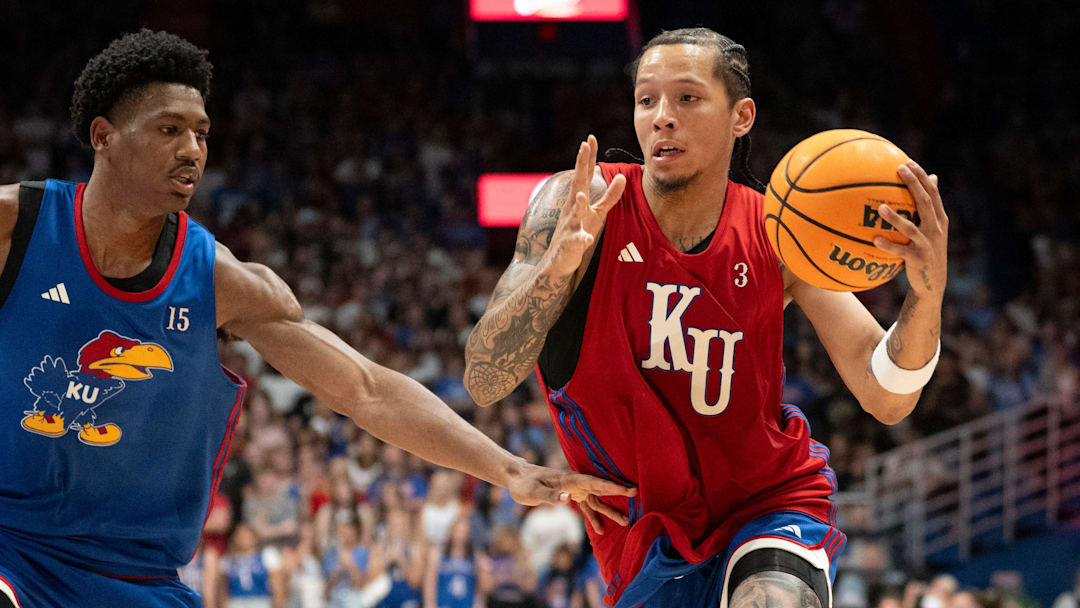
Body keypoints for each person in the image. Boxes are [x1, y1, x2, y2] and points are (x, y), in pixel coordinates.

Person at [0, 29, 634, 608]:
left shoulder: (216, 279)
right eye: (169, 130)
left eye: (201, 132)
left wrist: (508, 468)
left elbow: (364, 389)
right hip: (13, 553)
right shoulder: (15, 229)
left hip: (137, 580)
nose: (192, 149)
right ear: (104, 136)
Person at [464, 27, 948, 608]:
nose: (662, 117)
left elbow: (886, 395)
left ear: (741, 116)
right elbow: (484, 380)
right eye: (647, 100)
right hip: (642, 529)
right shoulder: (575, 208)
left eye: (687, 98)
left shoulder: (780, 233)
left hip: (766, 502)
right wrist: (555, 273)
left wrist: (926, 296)